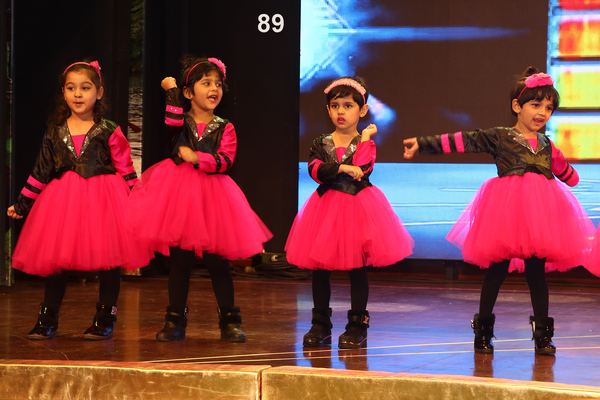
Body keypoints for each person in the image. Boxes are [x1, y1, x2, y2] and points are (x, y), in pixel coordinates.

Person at [403, 66, 598, 355]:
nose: (542, 113)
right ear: (517, 106)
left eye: (548, 108)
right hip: (507, 213)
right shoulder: (500, 136)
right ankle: (483, 331)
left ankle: (543, 336)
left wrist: (569, 176)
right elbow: (464, 140)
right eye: (536, 105)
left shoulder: (546, 144)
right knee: (497, 270)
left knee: (537, 273)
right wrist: (422, 144)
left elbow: (565, 172)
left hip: (539, 216)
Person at [129, 56, 272, 342]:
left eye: (218, 84)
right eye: (206, 83)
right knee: (180, 261)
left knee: (217, 262)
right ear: (188, 92)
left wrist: (198, 158)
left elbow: (226, 160)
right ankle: (174, 321)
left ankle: (230, 321)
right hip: (178, 194)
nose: (214, 89)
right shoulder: (180, 121)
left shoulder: (225, 126)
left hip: (214, 196)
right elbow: (171, 121)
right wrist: (171, 90)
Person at [7, 60, 150, 340]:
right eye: (71, 88)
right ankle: (47, 318)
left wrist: (140, 201)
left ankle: (105, 318)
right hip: (64, 201)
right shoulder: (55, 130)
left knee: (110, 257)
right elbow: (41, 170)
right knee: (56, 258)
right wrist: (22, 203)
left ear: (99, 92)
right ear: (63, 92)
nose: (78, 94)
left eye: (85, 88)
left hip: (106, 200)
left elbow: (126, 169)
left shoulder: (109, 129)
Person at [285, 76, 414, 349]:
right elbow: (314, 169)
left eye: (348, 106)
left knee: (357, 268)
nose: (341, 112)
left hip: (356, 208)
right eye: (335, 106)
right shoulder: (321, 142)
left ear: (362, 110)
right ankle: (320, 324)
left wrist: (365, 139)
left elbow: (363, 169)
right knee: (320, 268)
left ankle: (357, 326)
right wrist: (341, 168)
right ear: (328, 110)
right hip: (325, 208)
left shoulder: (365, 142)